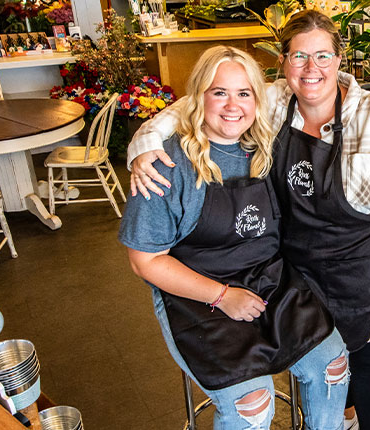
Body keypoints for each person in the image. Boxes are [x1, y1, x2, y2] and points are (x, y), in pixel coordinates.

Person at [127, 11, 370, 430]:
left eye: (323, 56)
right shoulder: (271, 101)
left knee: (366, 365)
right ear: (283, 62)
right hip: (296, 265)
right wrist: (142, 147)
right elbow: (184, 110)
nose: (312, 69)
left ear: (341, 59)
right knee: (290, 381)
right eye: (299, 56)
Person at [119, 46, 350, 430]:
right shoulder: (167, 165)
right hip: (195, 293)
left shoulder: (263, 148)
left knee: (333, 364)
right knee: (253, 403)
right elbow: (144, 261)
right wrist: (223, 296)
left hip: (268, 278)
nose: (233, 106)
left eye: (243, 94)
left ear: (256, 100)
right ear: (198, 97)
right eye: (219, 92)